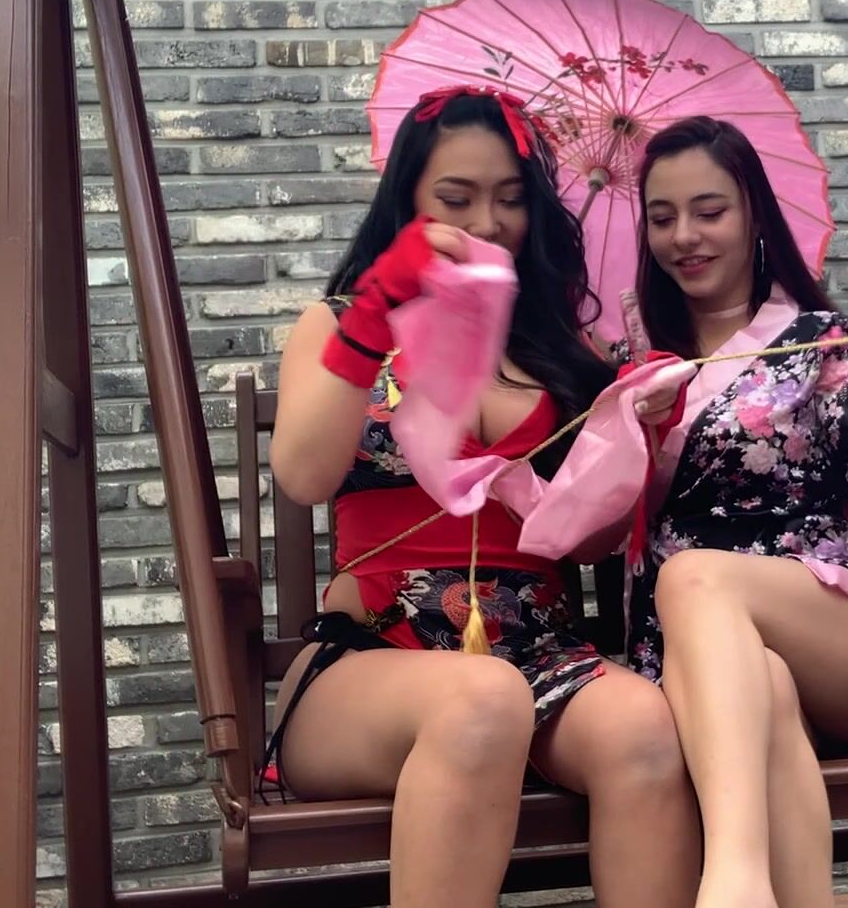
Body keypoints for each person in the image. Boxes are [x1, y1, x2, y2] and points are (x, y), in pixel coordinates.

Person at [265, 87, 701, 908]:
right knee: (482, 699)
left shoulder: (559, 345)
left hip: (538, 652)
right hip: (372, 660)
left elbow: (585, 543)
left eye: (509, 199)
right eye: (456, 198)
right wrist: (377, 313)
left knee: (647, 727)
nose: (488, 222)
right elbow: (303, 475)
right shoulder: (340, 322)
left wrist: (633, 434)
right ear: (408, 201)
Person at [623, 115, 848, 908]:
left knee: (695, 578)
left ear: (754, 214)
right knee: (764, 688)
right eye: (663, 217)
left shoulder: (821, 343)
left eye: (709, 210)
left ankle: (734, 880)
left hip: (842, 640)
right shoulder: (633, 365)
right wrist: (625, 432)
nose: (684, 236)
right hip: (706, 666)